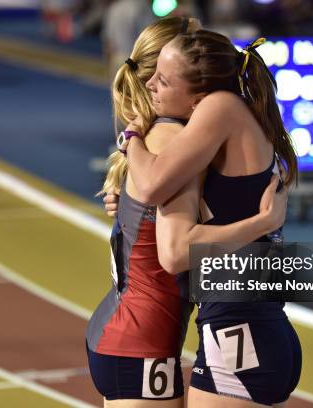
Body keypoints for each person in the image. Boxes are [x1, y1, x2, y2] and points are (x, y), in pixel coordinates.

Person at [86, 17, 288, 408]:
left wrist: (130, 143)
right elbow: (170, 236)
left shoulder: (198, 125)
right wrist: (263, 224)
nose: (152, 86)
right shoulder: (176, 135)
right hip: (205, 336)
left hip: (223, 337)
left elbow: (173, 242)